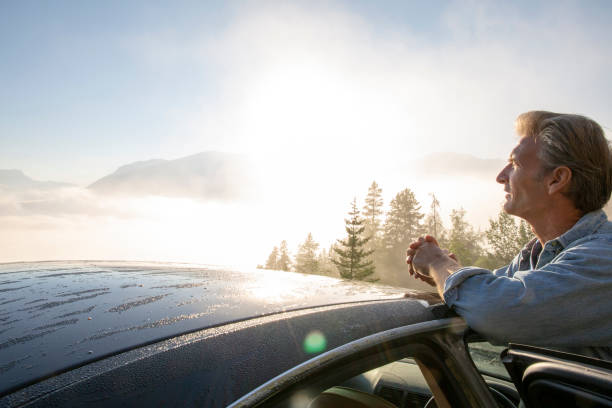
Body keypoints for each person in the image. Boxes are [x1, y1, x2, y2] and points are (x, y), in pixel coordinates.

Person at [406, 111, 612, 360]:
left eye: (514, 164)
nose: (500, 176)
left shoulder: (604, 257)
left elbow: (498, 310)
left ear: (556, 179)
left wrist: (439, 264)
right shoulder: (538, 254)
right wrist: (444, 277)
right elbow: (494, 290)